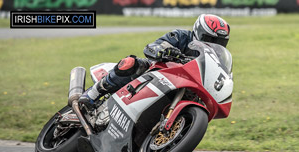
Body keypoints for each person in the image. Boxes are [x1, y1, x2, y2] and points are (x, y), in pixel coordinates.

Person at [79, 14, 230, 110]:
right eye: (210, 39)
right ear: (198, 31)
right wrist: (165, 50)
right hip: (160, 71)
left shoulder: (217, 58)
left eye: (219, 41)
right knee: (130, 62)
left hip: (187, 84)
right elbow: (152, 47)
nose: (213, 44)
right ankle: (92, 93)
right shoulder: (181, 36)